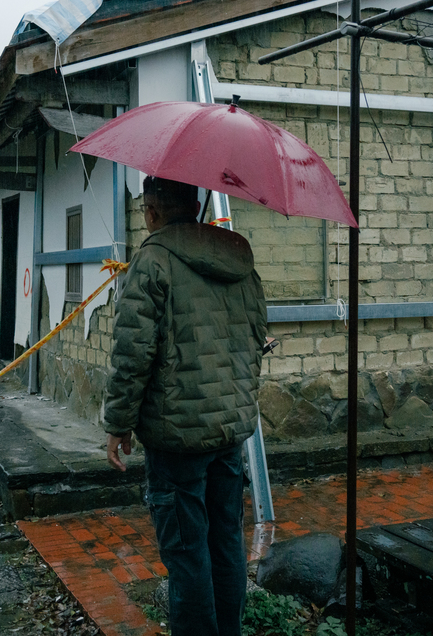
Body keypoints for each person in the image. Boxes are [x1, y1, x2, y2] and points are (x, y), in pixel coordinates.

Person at [105, 176, 267, 636]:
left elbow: (132, 353)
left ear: (154, 211)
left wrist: (118, 423)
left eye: (144, 209)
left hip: (177, 435)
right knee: (226, 543)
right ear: (195, 204)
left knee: (187, 553)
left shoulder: (153, 259)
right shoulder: (238, 256)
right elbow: (256, 335)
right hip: (228, 431)